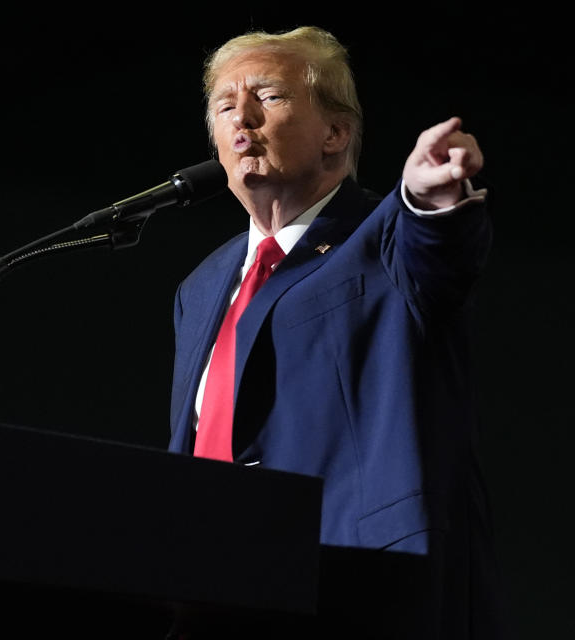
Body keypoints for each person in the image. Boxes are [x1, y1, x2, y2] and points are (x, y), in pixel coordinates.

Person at [168, 27, 500, 638]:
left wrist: (427, 201)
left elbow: (437, 254)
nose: (241, 115)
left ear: (335, 133)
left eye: (268, 96)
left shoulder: (381, 239)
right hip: (210, 587)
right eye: (223, 105)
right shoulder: (203, 285)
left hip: (353, 581)